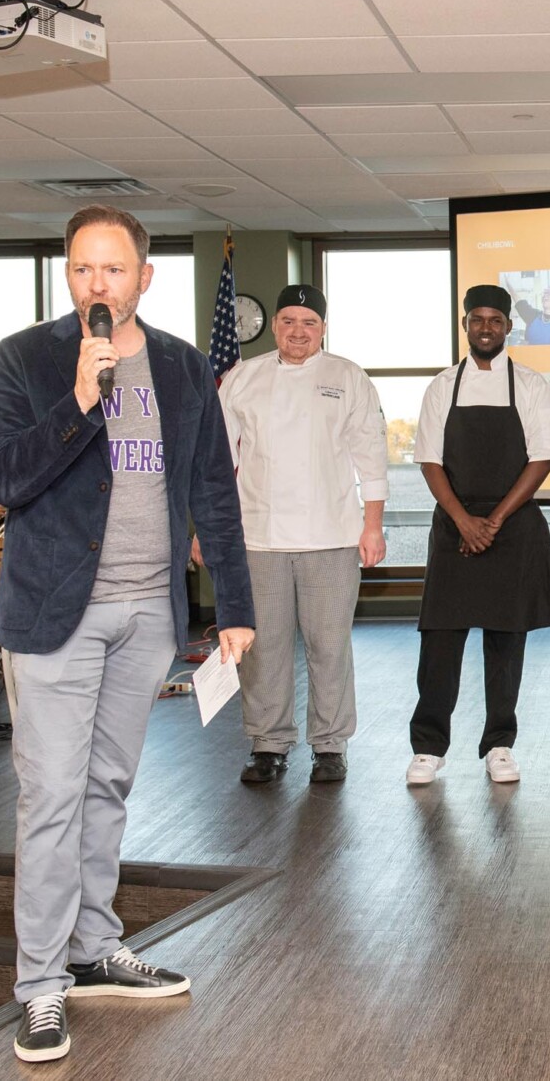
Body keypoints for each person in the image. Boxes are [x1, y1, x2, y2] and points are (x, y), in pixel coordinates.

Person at [0, 205, 254, 1065]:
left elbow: (214, 488)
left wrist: (236, 608)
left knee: (108, 787)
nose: (98, 284)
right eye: (82, 269)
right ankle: (40, 987)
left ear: (145, 276)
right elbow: (3, 478)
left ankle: (95, 947)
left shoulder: (177, 365)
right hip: (56, 615)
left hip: (147, 616)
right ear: (69, 275)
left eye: (114, 269)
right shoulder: (26, 359)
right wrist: (79, 401)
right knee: (51, 798)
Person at [214, 283, 387, 786]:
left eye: (309, 324)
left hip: (332, 535)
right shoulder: (242, 379)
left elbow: (370, 455)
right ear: (275, 326)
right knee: (263, 646)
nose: (298, 332)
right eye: (289, 321)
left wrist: (372, 525)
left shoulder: (347, 377)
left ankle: (330, 745)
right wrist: (212, 531)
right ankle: (268, 744)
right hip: (258, 536)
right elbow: (219, 463)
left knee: (329, 644)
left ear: (323, 329)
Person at [407, 284, 550, 786]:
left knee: (505, 641)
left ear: (507, 327)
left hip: (511, 525)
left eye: (494, 320)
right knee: (440, 641)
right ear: (465, 326)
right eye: (476, 319)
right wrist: (463, 520)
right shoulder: (442, 386)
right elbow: (429, 461)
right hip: (455, 524)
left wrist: (494, 520)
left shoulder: (531, 384)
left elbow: (543, 457)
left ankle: (499, 744)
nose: (485, 328)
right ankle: (428, 748)